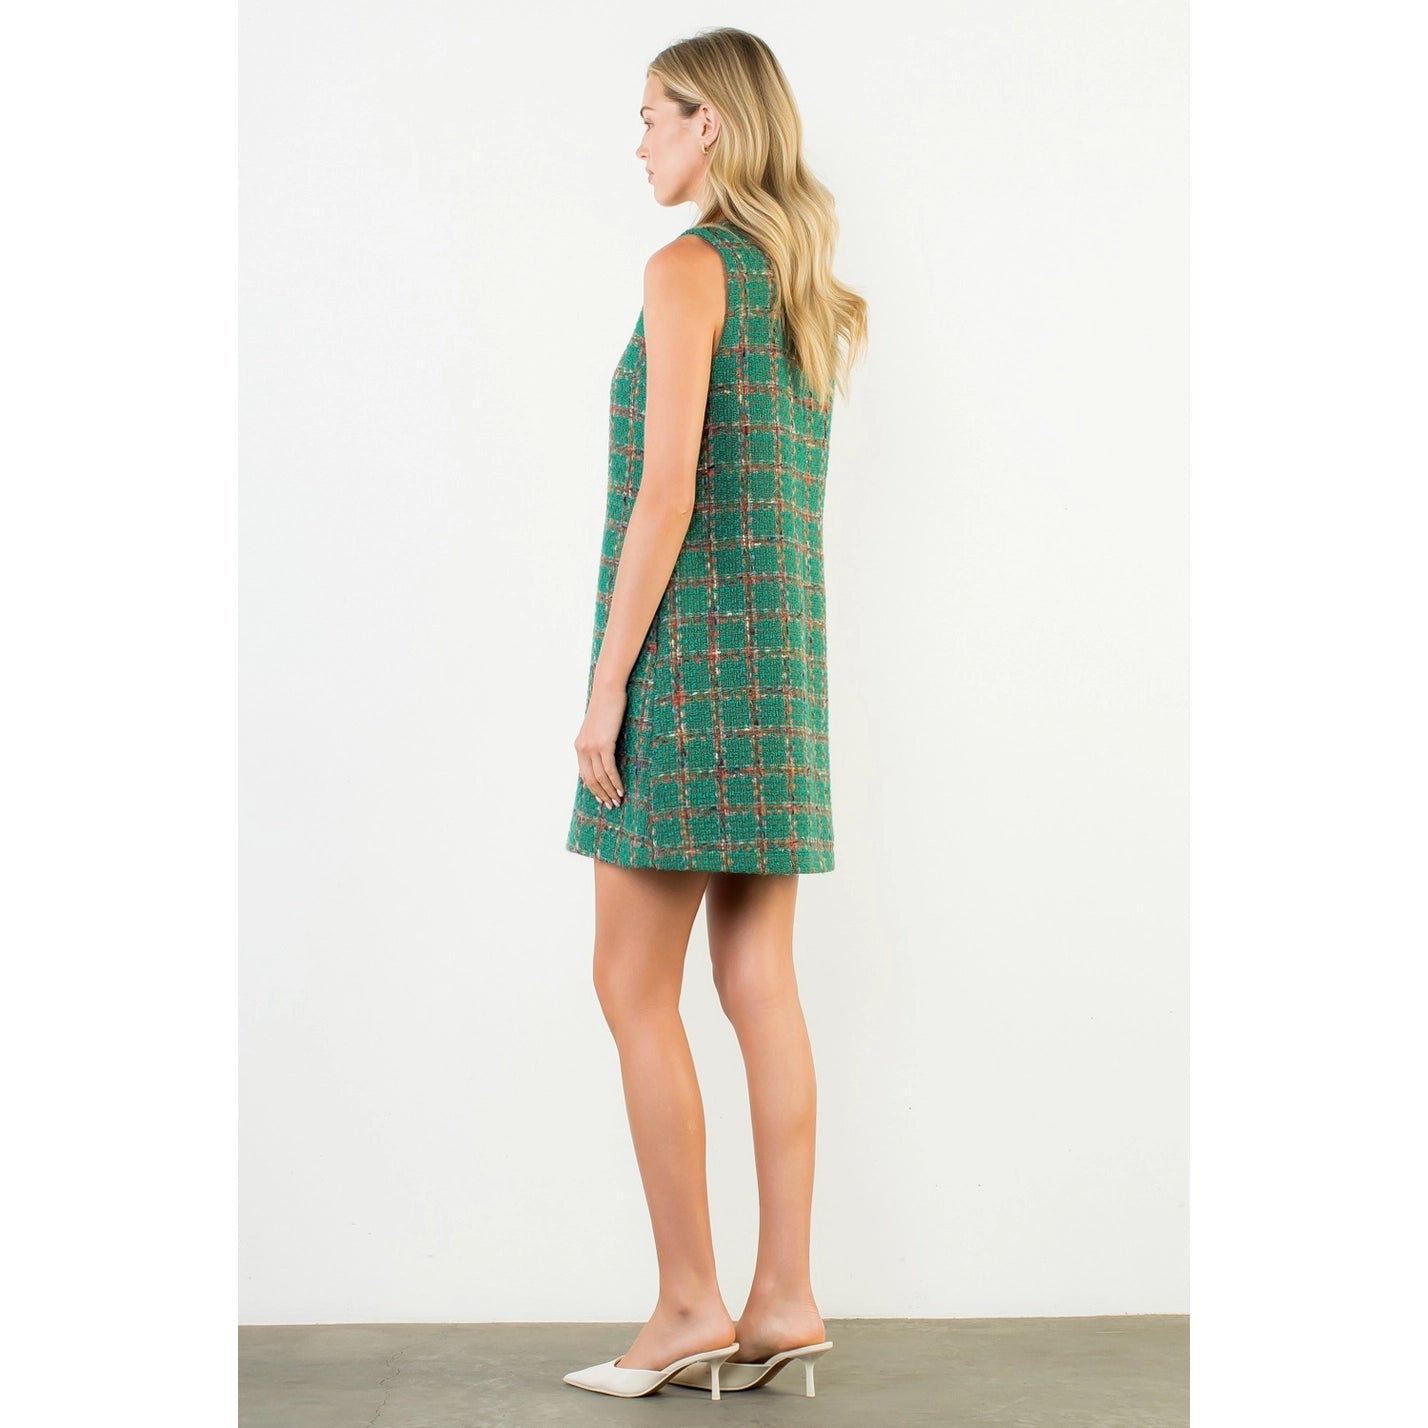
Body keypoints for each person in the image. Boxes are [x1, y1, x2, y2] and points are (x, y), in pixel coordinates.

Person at [562, 27, 868, 1401]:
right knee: (759, 983)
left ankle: (690, 1303)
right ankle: (784, 1297)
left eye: (651, 116)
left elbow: (670, 488)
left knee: (630, 985)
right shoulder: (807, 292)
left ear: (712, 124)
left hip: (687, 674)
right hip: (781, 681)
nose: (637, 140)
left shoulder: (686, 269)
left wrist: (607, 684)